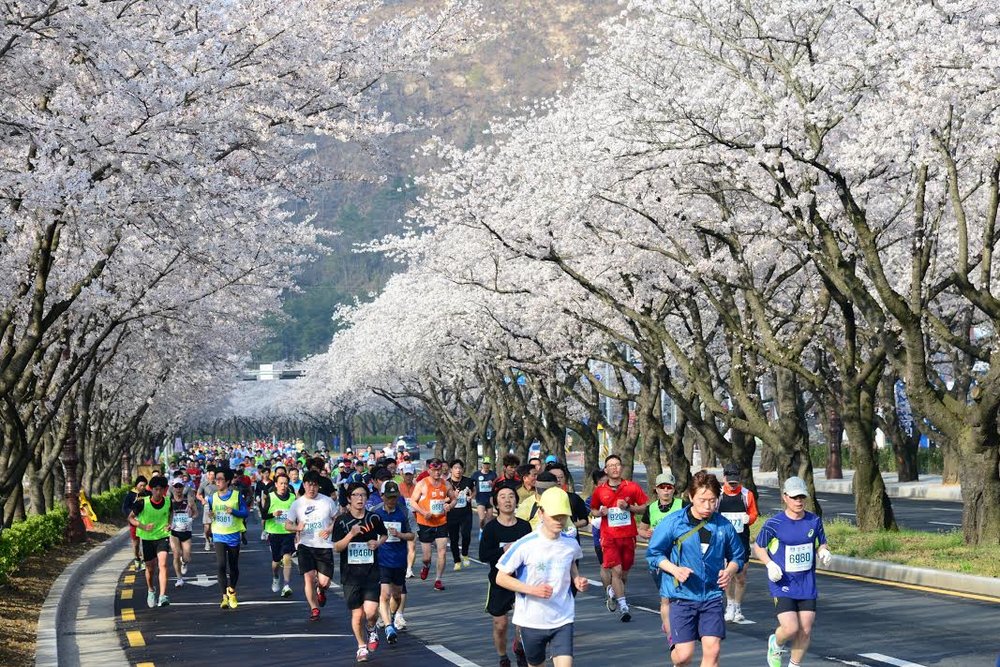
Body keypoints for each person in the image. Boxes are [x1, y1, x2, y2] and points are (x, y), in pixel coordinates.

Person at [646, 470, 746, 667]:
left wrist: (729, 571)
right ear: (691, 497)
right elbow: (654, 554)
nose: (708, 506)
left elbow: (738, 556)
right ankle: (673, 644)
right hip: (682, 596)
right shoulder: (674, 523)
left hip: (711, 596)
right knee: (683, 657)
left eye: (712, 500)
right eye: (702, 500)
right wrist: (674, 570)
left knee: (713, 650)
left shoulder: (723, 526)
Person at [496, 488, 589, 667]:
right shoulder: (525, 545)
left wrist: (577, 579)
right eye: (554, 516)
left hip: (563, 617)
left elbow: (570, 562)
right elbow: (501, 577)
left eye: (563, 516)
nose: (559, 521)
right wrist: (532, 590)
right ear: (541, 513)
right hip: (532, 619)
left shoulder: (570, 544)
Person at [754, 476, 832, 667]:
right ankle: (776, 643)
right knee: (790, 628)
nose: (799, 501)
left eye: (802, 497)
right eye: (795, 497)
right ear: (785, 497)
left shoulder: (813, 521)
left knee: (805, 630)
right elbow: (758, 546)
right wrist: (769, 564)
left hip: (806, 583)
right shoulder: (774, 523)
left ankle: (794, 664)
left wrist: (824, 551)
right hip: (783, 583)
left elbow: (821, 542)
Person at [333, 482, 389, 662]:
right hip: (350, 575)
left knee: (371, 612)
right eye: (356, 495)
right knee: (357, 615)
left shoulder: (374, 518)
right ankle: (361, 646)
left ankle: (372, 629)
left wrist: (377, 543)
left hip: (371, 572)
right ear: (349, 498)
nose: (360, 498)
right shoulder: (341, 521)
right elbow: (337, 547)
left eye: (363, 495)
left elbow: (384, 534)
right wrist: (350, 535)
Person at [590, 454, 648, 622]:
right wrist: (600, 512)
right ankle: (624, 607)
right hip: (609, 538)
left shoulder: (632, 487)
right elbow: (593, 509)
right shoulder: (600, 491)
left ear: (621, 467)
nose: (614, 468)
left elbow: (644, 507)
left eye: (617, 465)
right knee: (616, 571)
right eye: (611, 465)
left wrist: (629, 507)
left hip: (628, 536)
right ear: (606, 470)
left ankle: (613, 592)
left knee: (624, 573)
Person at [480, 485, 533, 667]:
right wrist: (504, 549)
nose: (507, 500)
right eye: (502, 497)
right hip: (499, 581)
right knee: (500, 625)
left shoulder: (525, 527)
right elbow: (483, 555)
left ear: (516, 501)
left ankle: (520, 648)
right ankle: (503, 656)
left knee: (523, 625)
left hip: (521, 581)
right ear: (496, 503)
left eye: (511, 496)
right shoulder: (491, 528)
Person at [285, 470, 339, 620]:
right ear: (304, 485)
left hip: (324, 546)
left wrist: (329, 529)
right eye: (309, 485)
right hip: (305, 545)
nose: (312, 488)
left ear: (318, 486)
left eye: (315, 485)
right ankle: (314, 608)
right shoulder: (297, 504)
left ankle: (321, 590)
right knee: (308, 577)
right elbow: (287, 525)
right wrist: (297, 528)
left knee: (324, 582)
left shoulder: (327, 501)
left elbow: (337, 519)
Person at [638, 470, 687, 635]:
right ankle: (670, 631)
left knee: (679, 596)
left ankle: (677, 625)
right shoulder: (651, 508)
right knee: (665, 597)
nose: (666, 491)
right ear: (656, 490)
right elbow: (641, 530)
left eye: (669, 487)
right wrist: (647, 534)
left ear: (674, 489)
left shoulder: (682, 505)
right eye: (662, 487)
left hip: (680, 557)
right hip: (659, 558)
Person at [370, 481, 413, 645]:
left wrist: (400, 535)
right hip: (381, 559)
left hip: (399, 559)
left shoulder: (404, 512)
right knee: (385, 594)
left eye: (394, 497)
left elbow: (412, 535)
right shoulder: (375, 512)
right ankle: (389, 627)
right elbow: (368, 531)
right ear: (382, 496)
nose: (391, 500)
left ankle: (390, 616)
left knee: (396, 595)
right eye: (389, 497)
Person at [719, 463, 758, 623]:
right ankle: (729, 604)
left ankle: (737, 605)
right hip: (723, 541)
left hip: (741, 540)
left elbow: (754, 513)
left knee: (741, 576)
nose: (733, 485)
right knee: (727, 574)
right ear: (724, 478)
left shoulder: (746, 494)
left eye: (736, 482)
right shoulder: (719, 494)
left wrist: (749, 519)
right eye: (730, 482)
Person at [207, 468, 249, 610]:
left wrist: (234, 511)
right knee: (221, 565)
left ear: (228, 481)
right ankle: (224, 596)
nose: (217, 482)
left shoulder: (236, 496)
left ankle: (231, 590)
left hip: (233, 536)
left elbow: (245, 513)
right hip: (218, 535)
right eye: (216, 479)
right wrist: (211, 515)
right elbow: (211, 514)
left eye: (220, 479)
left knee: (233, 567)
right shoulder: (212, 497)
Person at [128, 475, 172, 608]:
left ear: (164, 490)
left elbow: (170, 514)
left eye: (161, 489)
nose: (158, 492)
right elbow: (130, 518)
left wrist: (169, 524)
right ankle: (151, 589)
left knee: (163, 564)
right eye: (156, 489)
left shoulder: (168, 501)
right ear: (151, 489)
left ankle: (163, 596)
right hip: (147, 539)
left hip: (162, 537)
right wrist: (142, 526)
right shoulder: (142, 503)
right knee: (150, 568)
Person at [410, 458, 453, 590]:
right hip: (425, 523)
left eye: (439, 470)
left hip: (441, 522)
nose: (437, 473)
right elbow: (412, 501)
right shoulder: (422, 484)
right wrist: (423, 512)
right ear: (429, 470)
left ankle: (438, 579)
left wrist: (449, 505)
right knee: (426, 557)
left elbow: (454, 499)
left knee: (442, 551)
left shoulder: (446, 484)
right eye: (434, 470)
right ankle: (426, 566)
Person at [262, 472, 295, 597]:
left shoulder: (292, 497)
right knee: (276, 561)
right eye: (281, 483)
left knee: (287, 557)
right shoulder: (271, 497)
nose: (283, 486)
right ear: (276, 484)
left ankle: (286, 585)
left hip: (288, 532)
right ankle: (276, 577)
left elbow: (296, 514)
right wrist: (273, 514)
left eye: (286, 483)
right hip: (274, 532)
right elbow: (264, 514)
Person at [446, 459, 475, 570]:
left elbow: (474, 490)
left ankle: (465, 554)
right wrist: (453, 497)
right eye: (455, 468)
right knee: (454, 538)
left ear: (463, 470)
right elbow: (443, 499)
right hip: (452, 514)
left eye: (460, 468)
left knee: (466, 534)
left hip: (466, 513)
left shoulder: (468, 481)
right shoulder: (447, 483)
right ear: (451, 470)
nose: (458, 470)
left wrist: (471, 497)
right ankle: (457, 561)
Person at [168, 477, 195, 588]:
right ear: (173, 488)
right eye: (176, 487)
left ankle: (184, 562)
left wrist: (191, 518)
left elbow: (196, 513)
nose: (178, 489)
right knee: (176, 554)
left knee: (187, 557)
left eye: (180, 486)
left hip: (186, 531)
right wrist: (168, 524)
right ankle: (179, 579)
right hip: (174, 531)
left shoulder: (188, 501)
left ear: (183, 487)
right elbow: (166, 515)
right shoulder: (169, 501)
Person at [123, 476, 149, 570]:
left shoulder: (148, 494)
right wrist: (131, 515)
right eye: (141, 485)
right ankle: (137, 558)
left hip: (145, 522)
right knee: (136, 543)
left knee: (145, 542)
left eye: (144, 485)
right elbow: (125, 507)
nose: (143, 487)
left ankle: (144, 561)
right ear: (136, 485)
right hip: (134, 522)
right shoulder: (130, 495)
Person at [471, 456, 497, 532]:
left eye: (488, 464)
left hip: (490, 498)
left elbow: (496, 485)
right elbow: (470, 484)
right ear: (482, 464)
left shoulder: (493, 474)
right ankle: (481, 531)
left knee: (489, 518)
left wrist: (492, 484)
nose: (486, 466)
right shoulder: (476, 474)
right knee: (482, 517)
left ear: (490, 465)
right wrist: (472, 493)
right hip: (480, 498)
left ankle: (488, 532)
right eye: (485, 464)